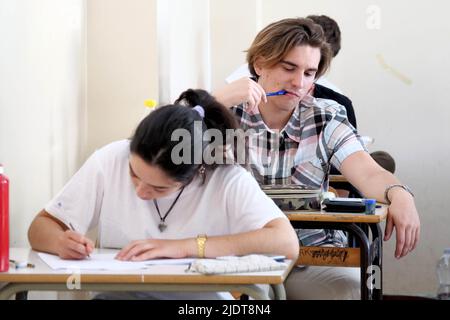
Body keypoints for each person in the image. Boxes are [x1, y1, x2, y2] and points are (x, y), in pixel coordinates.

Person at [214, 17, 420, 299]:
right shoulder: (224, 114)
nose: (299, 83)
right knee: (247, 296)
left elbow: (368, 172)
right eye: (289, 68)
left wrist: (399, 193)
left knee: (349, 288)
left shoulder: (325, 115)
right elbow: (166, 155)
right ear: (259, 64)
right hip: (240, 256)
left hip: (312, 256)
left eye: (309, 73)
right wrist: (213, 103)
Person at [27, 89, 299, 300]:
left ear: (197, 171)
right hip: (120, 296)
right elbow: (40, 227)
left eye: (159, 188)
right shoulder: (110, 158)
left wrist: (183, 247)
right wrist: (61, 241)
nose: (141, 192)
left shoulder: (227, 179)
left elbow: (286, 243)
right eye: (134, 174)